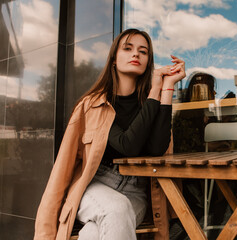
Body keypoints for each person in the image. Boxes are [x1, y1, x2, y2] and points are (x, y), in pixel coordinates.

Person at [34, 28, 185, 240]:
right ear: (114, 58)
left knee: (93, 233)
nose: (136, 54)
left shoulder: (150, 104)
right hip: (95, 185)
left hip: (136, 190)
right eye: (128, 48)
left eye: (143, 51)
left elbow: (157, 149)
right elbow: (127, 145)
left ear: (148, 61)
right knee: (117, 208)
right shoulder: (93, 105)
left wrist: (166, 87)